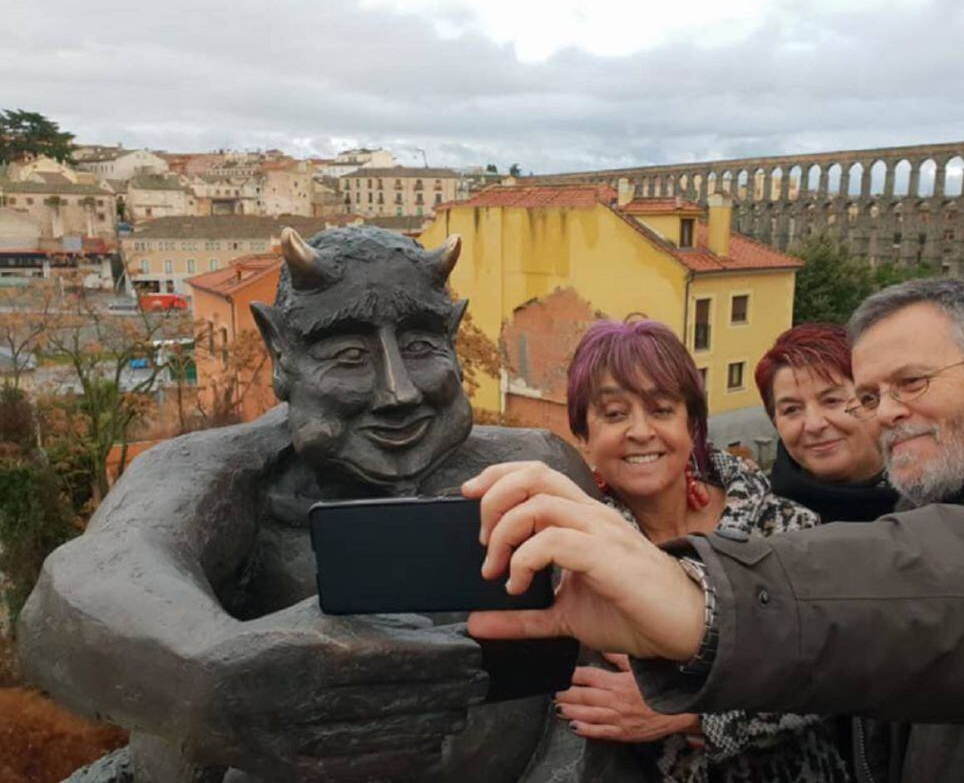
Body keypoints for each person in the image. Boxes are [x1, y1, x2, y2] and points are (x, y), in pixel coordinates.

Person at [17, 226, 598, 783]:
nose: (398, 391)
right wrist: (213, 666)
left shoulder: (537, 467)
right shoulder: (218, 471)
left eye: (421, 346)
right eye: (348, 356)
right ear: (280, 351)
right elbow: (82, 589)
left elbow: (602, 659)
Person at [466, 278, 964, 783]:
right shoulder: (563, 549)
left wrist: (697, 640)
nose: (887, 411)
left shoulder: (787, 523)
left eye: (911, 383)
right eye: (869, 396)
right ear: (583, 433)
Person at [554, 318, 848, 782]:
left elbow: (841, 675)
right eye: (613, 414)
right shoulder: (577, 561)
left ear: (692, 425)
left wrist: (692, 713)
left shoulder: (784, 528)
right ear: (583, 435)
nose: (639, 431)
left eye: (661, 409)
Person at [754, 323, 897, 523]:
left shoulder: (936, 494)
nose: (814, 425)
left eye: (831, 401)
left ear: (873, 401)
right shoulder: (761, 525)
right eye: (792, 409)